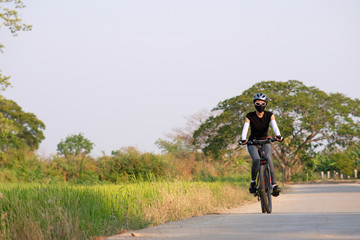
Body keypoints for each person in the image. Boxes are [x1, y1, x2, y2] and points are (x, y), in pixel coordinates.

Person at [240, 93, 283, 196]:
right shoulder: (249, 116)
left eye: (262, 103)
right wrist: (243, 139)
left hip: (265, 141)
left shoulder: (270, 115)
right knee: (256, 160)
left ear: (266, 104)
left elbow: (275, 126)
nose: (260, 105)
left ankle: (274, 185)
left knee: (268, 158)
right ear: (254, 104)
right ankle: (253, 182)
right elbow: (245, 128)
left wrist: (278, 135)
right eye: (257, 103)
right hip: (252, 142)